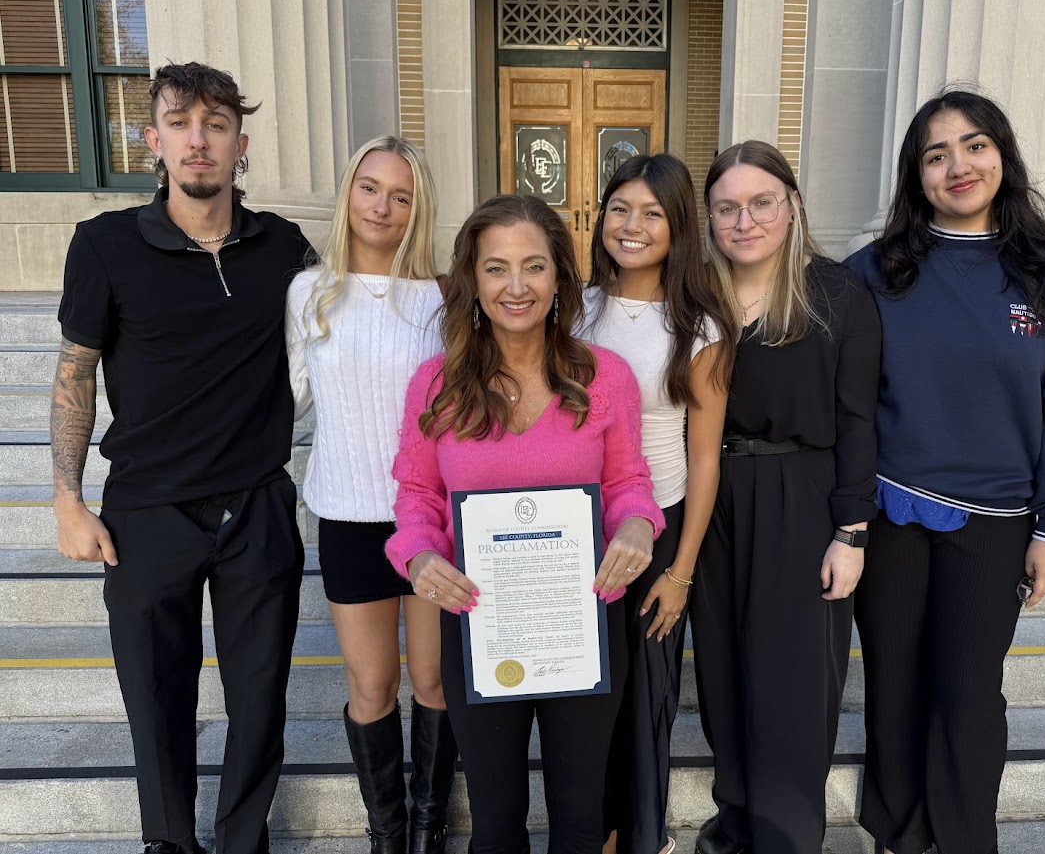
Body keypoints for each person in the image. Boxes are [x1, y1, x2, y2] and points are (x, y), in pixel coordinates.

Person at [51, 62, 314, 854]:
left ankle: (243, 840)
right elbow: (75, 370)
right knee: (156, 697)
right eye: (182, 123)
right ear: (153, 139)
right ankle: (169, 841)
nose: (199, 140)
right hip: (145, 512)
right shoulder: (104, 245)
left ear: (242, 144)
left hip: (257, 509)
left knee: (261, 699)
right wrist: (67, 496)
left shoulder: (285, 247)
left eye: (218, 125)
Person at [844, 89, 1045, 854]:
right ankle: (898, 835)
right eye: (936, 155)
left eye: (973, 146)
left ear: (1002, 154)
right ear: (914, 174)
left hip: (997, 526)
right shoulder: (875, 272)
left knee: (967, 694)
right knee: (893, 687)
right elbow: (847, 400)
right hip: (891, 518)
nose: (957, 166)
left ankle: (963, 839)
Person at [385, 193, 665, 854]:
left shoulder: (605, 378)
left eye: (534, 266)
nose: (516, 286)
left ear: (560, 278)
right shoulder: (438, 384)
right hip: (482, 626)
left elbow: (629, 484)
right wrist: (420, 556)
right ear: (472, 280)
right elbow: (416, 496)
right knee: (496, 816)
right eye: (496, 268)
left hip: (583, 622)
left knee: (579, 815)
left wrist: (637, 528)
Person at [691, 140, 881, 854]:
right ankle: (736, 820)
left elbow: (861, 418)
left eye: (761, 202)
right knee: (723, 672)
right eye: (726, 207)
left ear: (793, 204)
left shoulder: (835, 294)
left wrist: (852, 530)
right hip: (713, 497)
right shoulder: (697, 294)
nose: (745, 220)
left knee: (793, 683)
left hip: (803, 499)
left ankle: (788, 835)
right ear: (708, 218)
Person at [285, 136, 455, 854]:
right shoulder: (309, 291)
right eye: (370, 187)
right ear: (348, 194)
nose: (383, 205)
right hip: (349, 518)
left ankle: (429, 823)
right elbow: (287, 399)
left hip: (431, 519)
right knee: (373, 685)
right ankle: (387, 831)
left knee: (434, 679)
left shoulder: (443, 299)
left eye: (401, 194)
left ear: (418, 209)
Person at [580, 154, 734, 854]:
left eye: (652, 213)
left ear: (678, 228)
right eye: (620, 208)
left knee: (645, 699)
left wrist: (681, 571)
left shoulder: (696, 328)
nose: (632, 225)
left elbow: (706, 458)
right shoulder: (571, 306)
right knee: (588, 694)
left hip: (659, 525)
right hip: (575, 524)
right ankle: (598, 829)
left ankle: (643, 839)